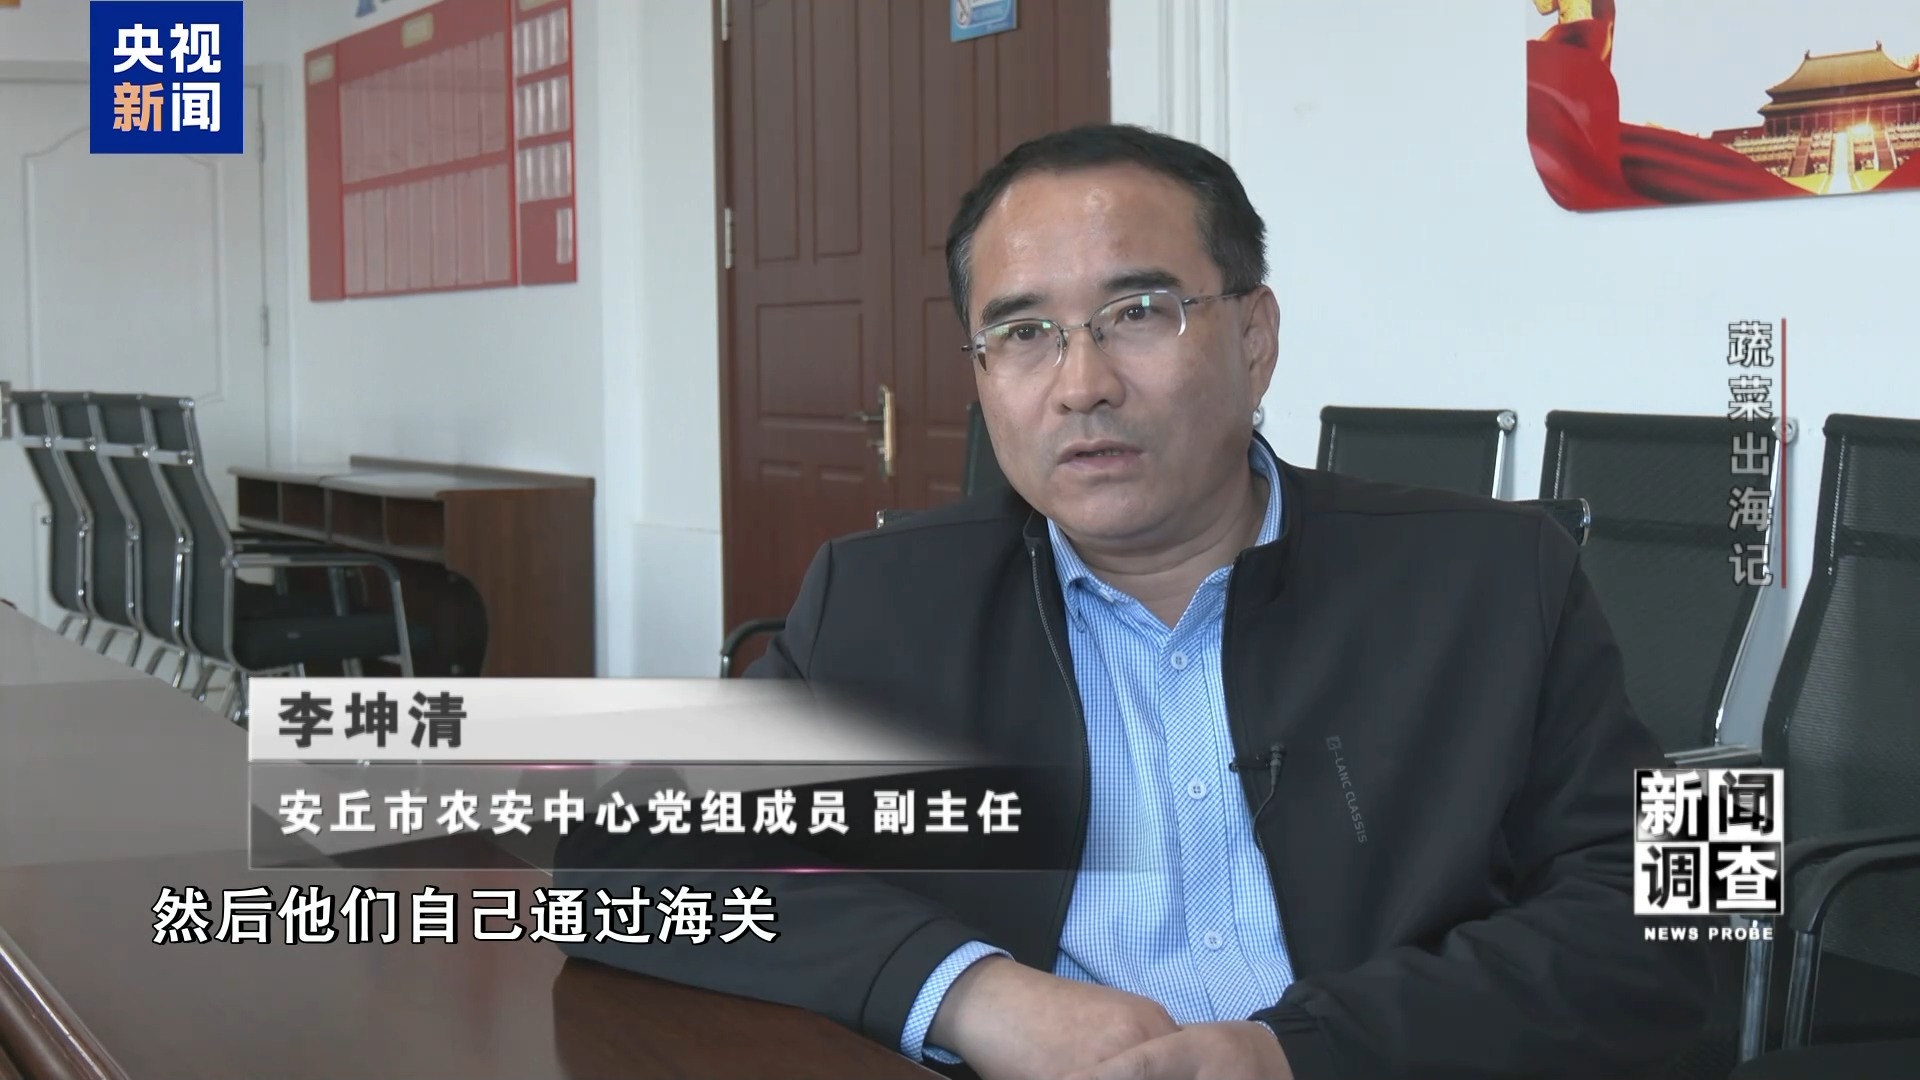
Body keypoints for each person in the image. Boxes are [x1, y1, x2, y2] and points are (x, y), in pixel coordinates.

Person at [558, 124, 1712, 1079]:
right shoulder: (881, 597)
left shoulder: (1503, 570)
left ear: (1254, 338)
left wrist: (1297, 1051)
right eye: (1024, 334)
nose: (1083, 383)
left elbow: (1695, 901)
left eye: (1140, 311)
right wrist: (969, 993)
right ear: (981, 376)